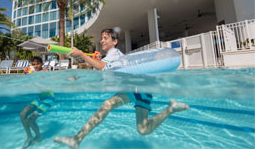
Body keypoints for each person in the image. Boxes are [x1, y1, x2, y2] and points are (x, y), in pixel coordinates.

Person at [53, 29, 189, 149]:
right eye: (101, 38)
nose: (102, 41)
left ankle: (76, 139)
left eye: (105, 38)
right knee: (143, 129)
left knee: (109, 107)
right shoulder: (112, 55)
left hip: (138, 87)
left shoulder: (114, 52)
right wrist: (97, 60)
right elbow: (105, 67)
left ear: (115, 41)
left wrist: (82, 54)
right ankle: (171, 108)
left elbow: (102, 67)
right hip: (137, 87)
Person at [20, 56, 54, 149]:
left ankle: (39, 136)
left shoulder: (45, 71)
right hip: (40, 98)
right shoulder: (33, 73)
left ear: (42, 64)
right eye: (34, 65)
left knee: (31, 119)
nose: (36, 66)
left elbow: (42, 74)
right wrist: (26, 75)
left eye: (38, 64)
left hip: (48, 99)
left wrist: (31, 73)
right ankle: (29, 136)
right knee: (22, 114)